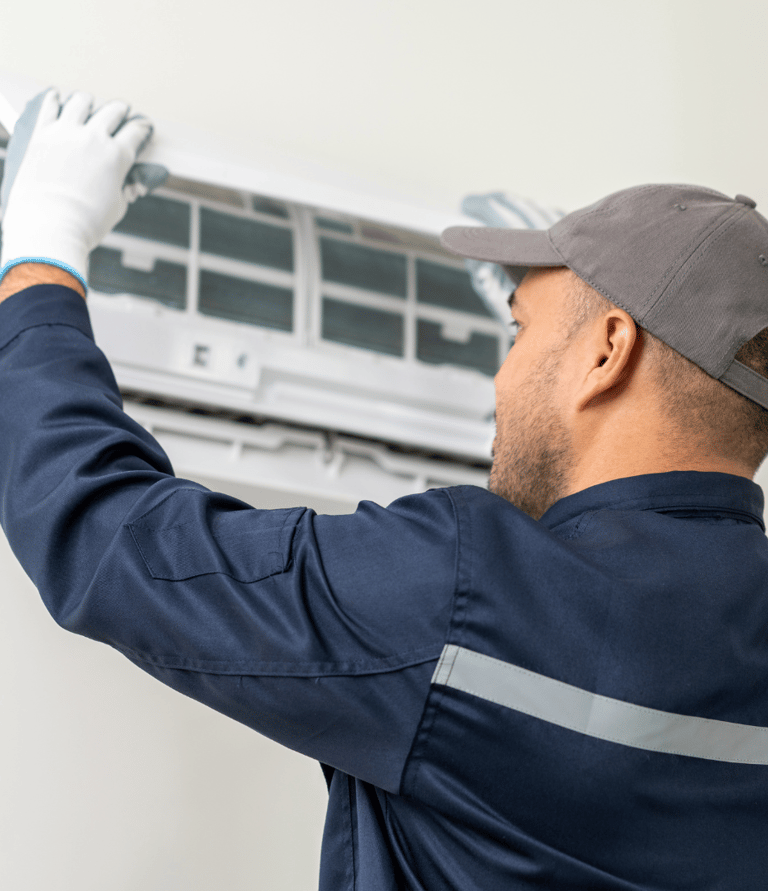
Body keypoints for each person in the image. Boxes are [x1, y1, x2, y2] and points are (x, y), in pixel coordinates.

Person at [1, 88, 768, 891]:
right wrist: (557, 361)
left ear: (607, 351)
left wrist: (43, 247)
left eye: (518, 332)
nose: (504, 376)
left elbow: (109, 540)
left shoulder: (460, 590)